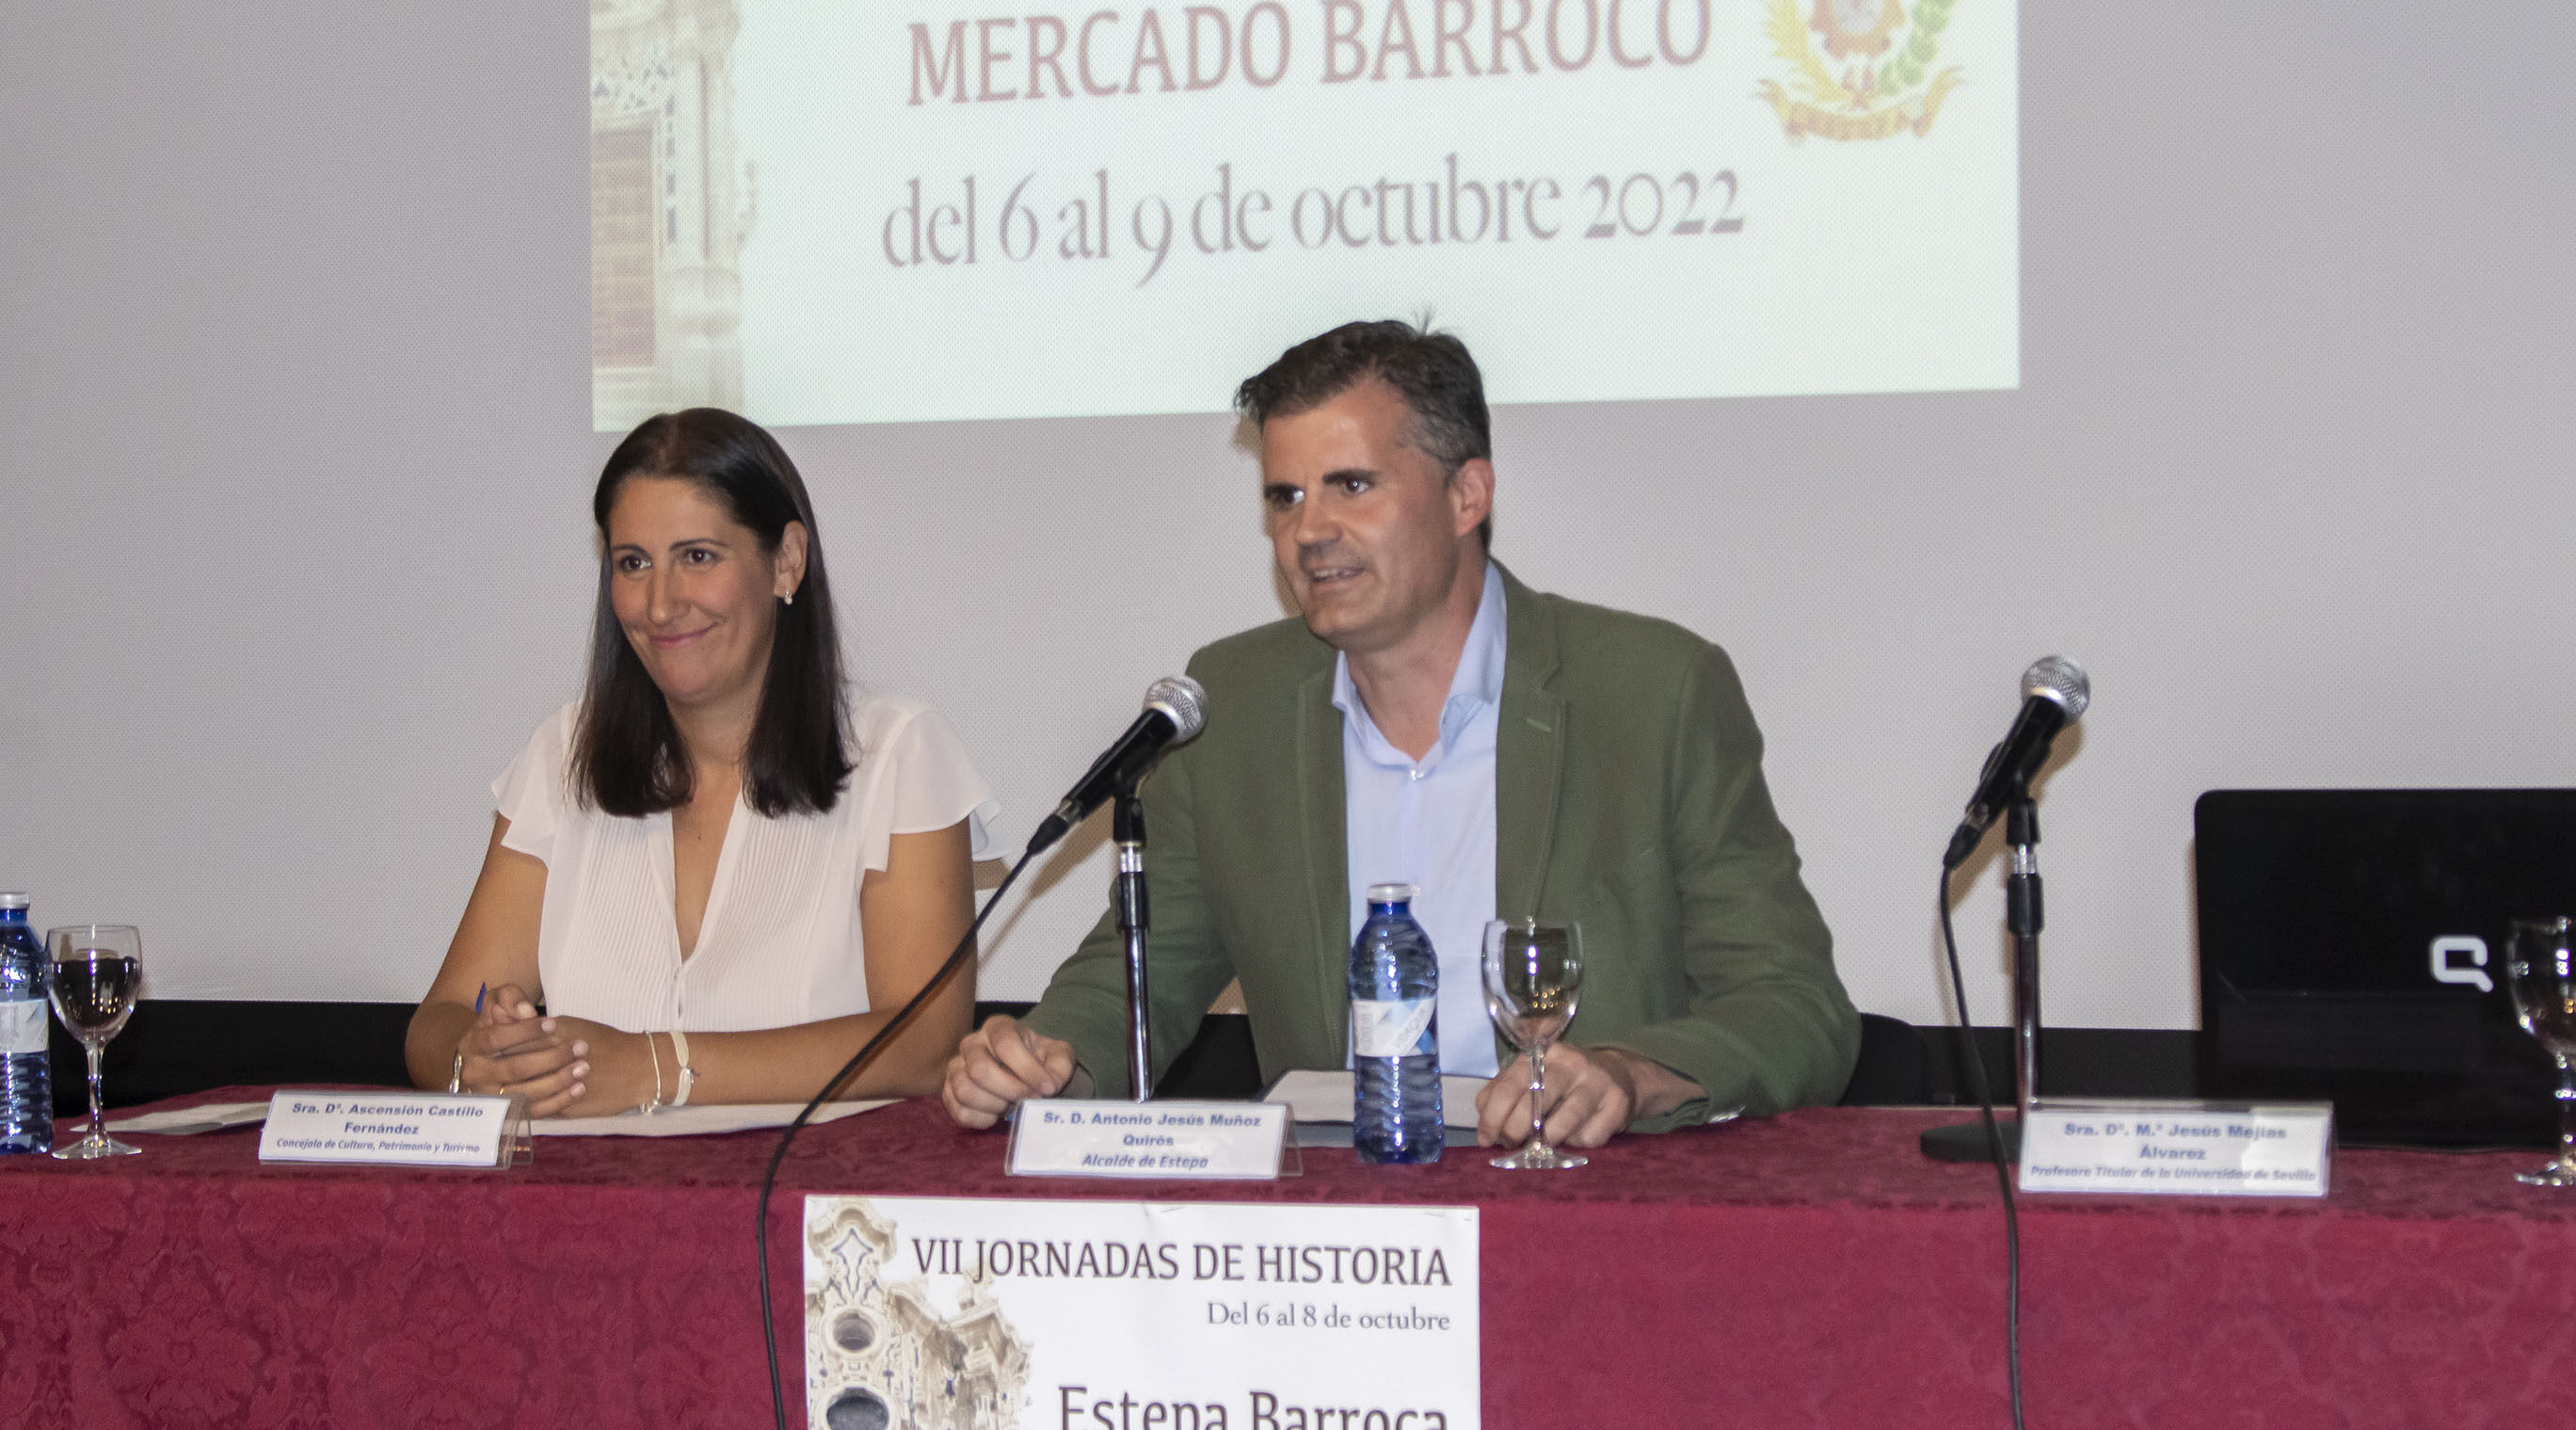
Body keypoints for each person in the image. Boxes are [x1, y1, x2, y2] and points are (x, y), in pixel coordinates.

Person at [943, 321, 1856, 1146]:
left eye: (1350, 485)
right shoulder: (1237, 703)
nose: (1308, 530)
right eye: (1284, 496)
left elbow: (1794, 1003)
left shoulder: (1652, 692)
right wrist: (1045, 1060)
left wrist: (1628, 1073)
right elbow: (1139, 974)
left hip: (1584, 1205)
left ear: (1467, 495)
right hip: (1339, 1223)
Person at [408, 409, 993, 1117]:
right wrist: (480, 1057)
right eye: (633, 564)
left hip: (809, 1183)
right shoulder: (563, 753)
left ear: (786, 561)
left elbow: (925, 1044)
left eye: (698, 557)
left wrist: (657, 1066)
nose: (660, 604)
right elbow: (438, 1020)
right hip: (582, 1184)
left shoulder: (898, 753)